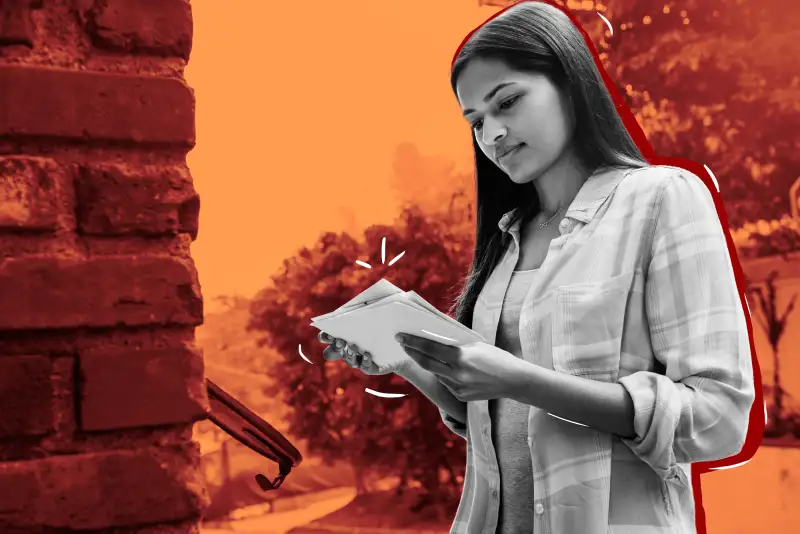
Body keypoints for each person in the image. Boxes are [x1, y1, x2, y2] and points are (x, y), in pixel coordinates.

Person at [319, 1, 756, 532]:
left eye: (508, 102)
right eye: (476, 121)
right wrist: (407, 360)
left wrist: (522, 380)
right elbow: (496, 418)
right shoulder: (507, 240)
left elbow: (719, 418)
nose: (492, 134)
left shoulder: (662, 198)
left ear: (570, 82)